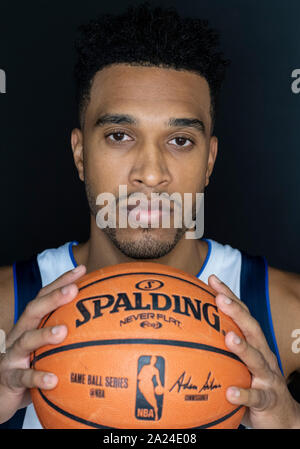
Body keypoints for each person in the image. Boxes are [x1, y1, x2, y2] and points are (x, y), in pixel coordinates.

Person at [0, 2, 299, 429]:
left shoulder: (283, 312)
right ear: (80, 153)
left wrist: (289, 421)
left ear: (210, 160)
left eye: (180, 140)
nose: (152, 174)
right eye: (119, 135)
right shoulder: (7, 309)